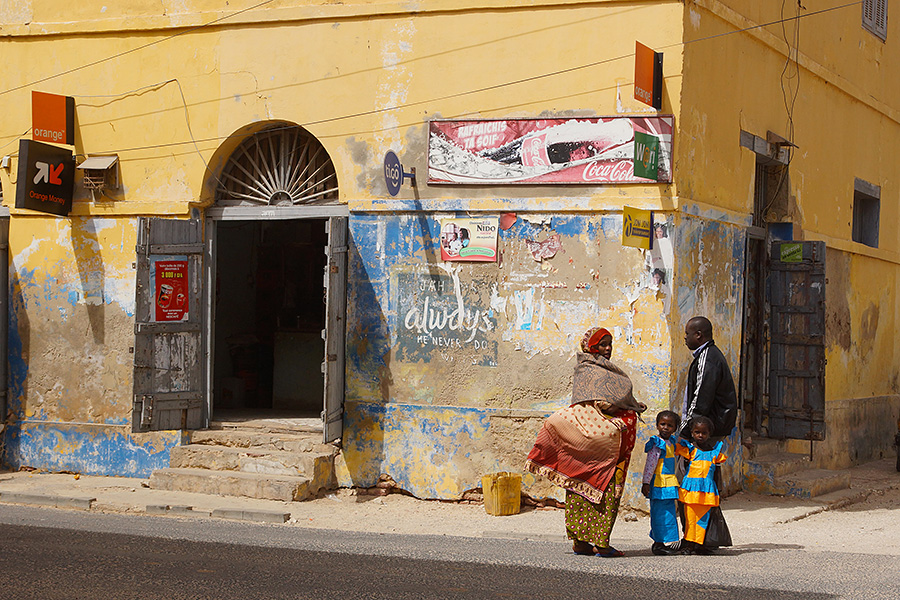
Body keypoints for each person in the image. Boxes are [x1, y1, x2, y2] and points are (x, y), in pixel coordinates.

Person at [524, 327, 647, 557]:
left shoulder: (600, 369)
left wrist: (629, 405)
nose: (608, 348)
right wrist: (626, 407)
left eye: (610, 344)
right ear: (592, 347)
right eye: (603, 344)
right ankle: (597, 543)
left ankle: (583, 542)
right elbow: (601, 404)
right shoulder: (590, 370)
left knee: (585, 486)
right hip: (599, 442)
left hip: (595, 442)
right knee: (599, 487)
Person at [674, 416, 727, 555]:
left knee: (703, 519)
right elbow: (681, 469)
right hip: (690, 490)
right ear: (692, 433)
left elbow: (717, 473)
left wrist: (719, 491)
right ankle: (689, 544)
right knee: (689, 518)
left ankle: (701, 544)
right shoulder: (689, 450)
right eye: (697, 432)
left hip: (707, 491)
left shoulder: (714, 453)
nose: (700, 435)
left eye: (704, 433)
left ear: (709, 434)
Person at [681, 316, 737, 439]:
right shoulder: (708, 355)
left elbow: (701, 399)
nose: (685, 337)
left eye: (687, 333)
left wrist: (686, 430)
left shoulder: (707, 359)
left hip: (707, 429)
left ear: (698, 335)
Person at [641, 410, 681, 555]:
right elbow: (650, 464)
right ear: (657, 425)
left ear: (675, 428)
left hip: (669, 484)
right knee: (659, 514)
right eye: (662, 424)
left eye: (670, 425)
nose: (665, 428)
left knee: (669, 513)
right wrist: (646, 483)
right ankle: (658, 543)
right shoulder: (657, 443)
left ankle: (666, 541)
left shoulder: (672, 442)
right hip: (658, 484)